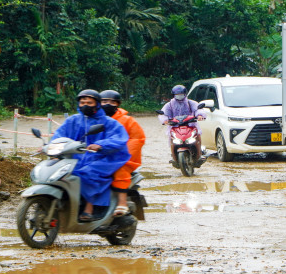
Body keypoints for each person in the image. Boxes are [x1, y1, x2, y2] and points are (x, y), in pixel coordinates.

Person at [51, 89, 130, 222]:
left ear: (97, 104)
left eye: (89, 102)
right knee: (63, 173)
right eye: (82, 102)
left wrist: (101, 145)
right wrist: (51, 147)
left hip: (106, 157)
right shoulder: (73, 120)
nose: (85, 105)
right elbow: (59, 135)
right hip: (78, 156)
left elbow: (119, 138)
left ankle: (89, 207)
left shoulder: (108, 122)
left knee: (87, 173)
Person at [100, 89, 146, 217]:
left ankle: (122, 203)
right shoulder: (96, 119)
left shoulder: (127, 120)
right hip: (99, 156)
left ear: (117, 104)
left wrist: (122, 154)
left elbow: (137, 139)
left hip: (123, 158)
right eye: (104, 101)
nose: (107, 104)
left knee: (119, 170)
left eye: (111, 102)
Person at [157, 84, 206, 167]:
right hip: (175, 127)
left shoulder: (190, 103)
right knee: (172, 139)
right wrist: (165, 120)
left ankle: (199, 154)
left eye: (181, 94)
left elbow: (198, 109)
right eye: (177, 95)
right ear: (173, 95)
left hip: (190, 125)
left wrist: (200, 115)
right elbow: (163, 114)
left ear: (185, 94)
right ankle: (174, 156)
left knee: (197, 135)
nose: (179, 96)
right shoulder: (169, 105)